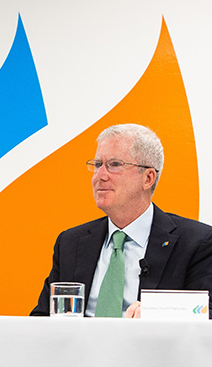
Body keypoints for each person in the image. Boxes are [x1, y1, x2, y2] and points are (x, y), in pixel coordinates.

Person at [32, 123, 212, 318]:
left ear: (148, 178)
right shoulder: (70, 243)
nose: (100, 176)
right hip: (80, 348)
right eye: (98, 164)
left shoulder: (196, 243)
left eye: (114, 165)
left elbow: (204, 317)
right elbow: (41, 319)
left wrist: (156, 315)